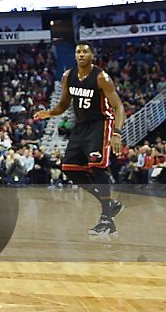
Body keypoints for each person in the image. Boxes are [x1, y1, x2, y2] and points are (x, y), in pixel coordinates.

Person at [34, 42, 125, 235]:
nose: (81, 55)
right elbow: (63, 105)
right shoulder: (68, 76)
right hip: (81, 125)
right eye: (78, 52)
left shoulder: (101, 77)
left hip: (100, 123)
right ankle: (109, 203)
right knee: (69, 168)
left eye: (85, 52)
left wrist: (117, 133)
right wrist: (48, 113)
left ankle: (107, 218)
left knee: (97, 166)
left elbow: (119, 107)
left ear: (92, 55)